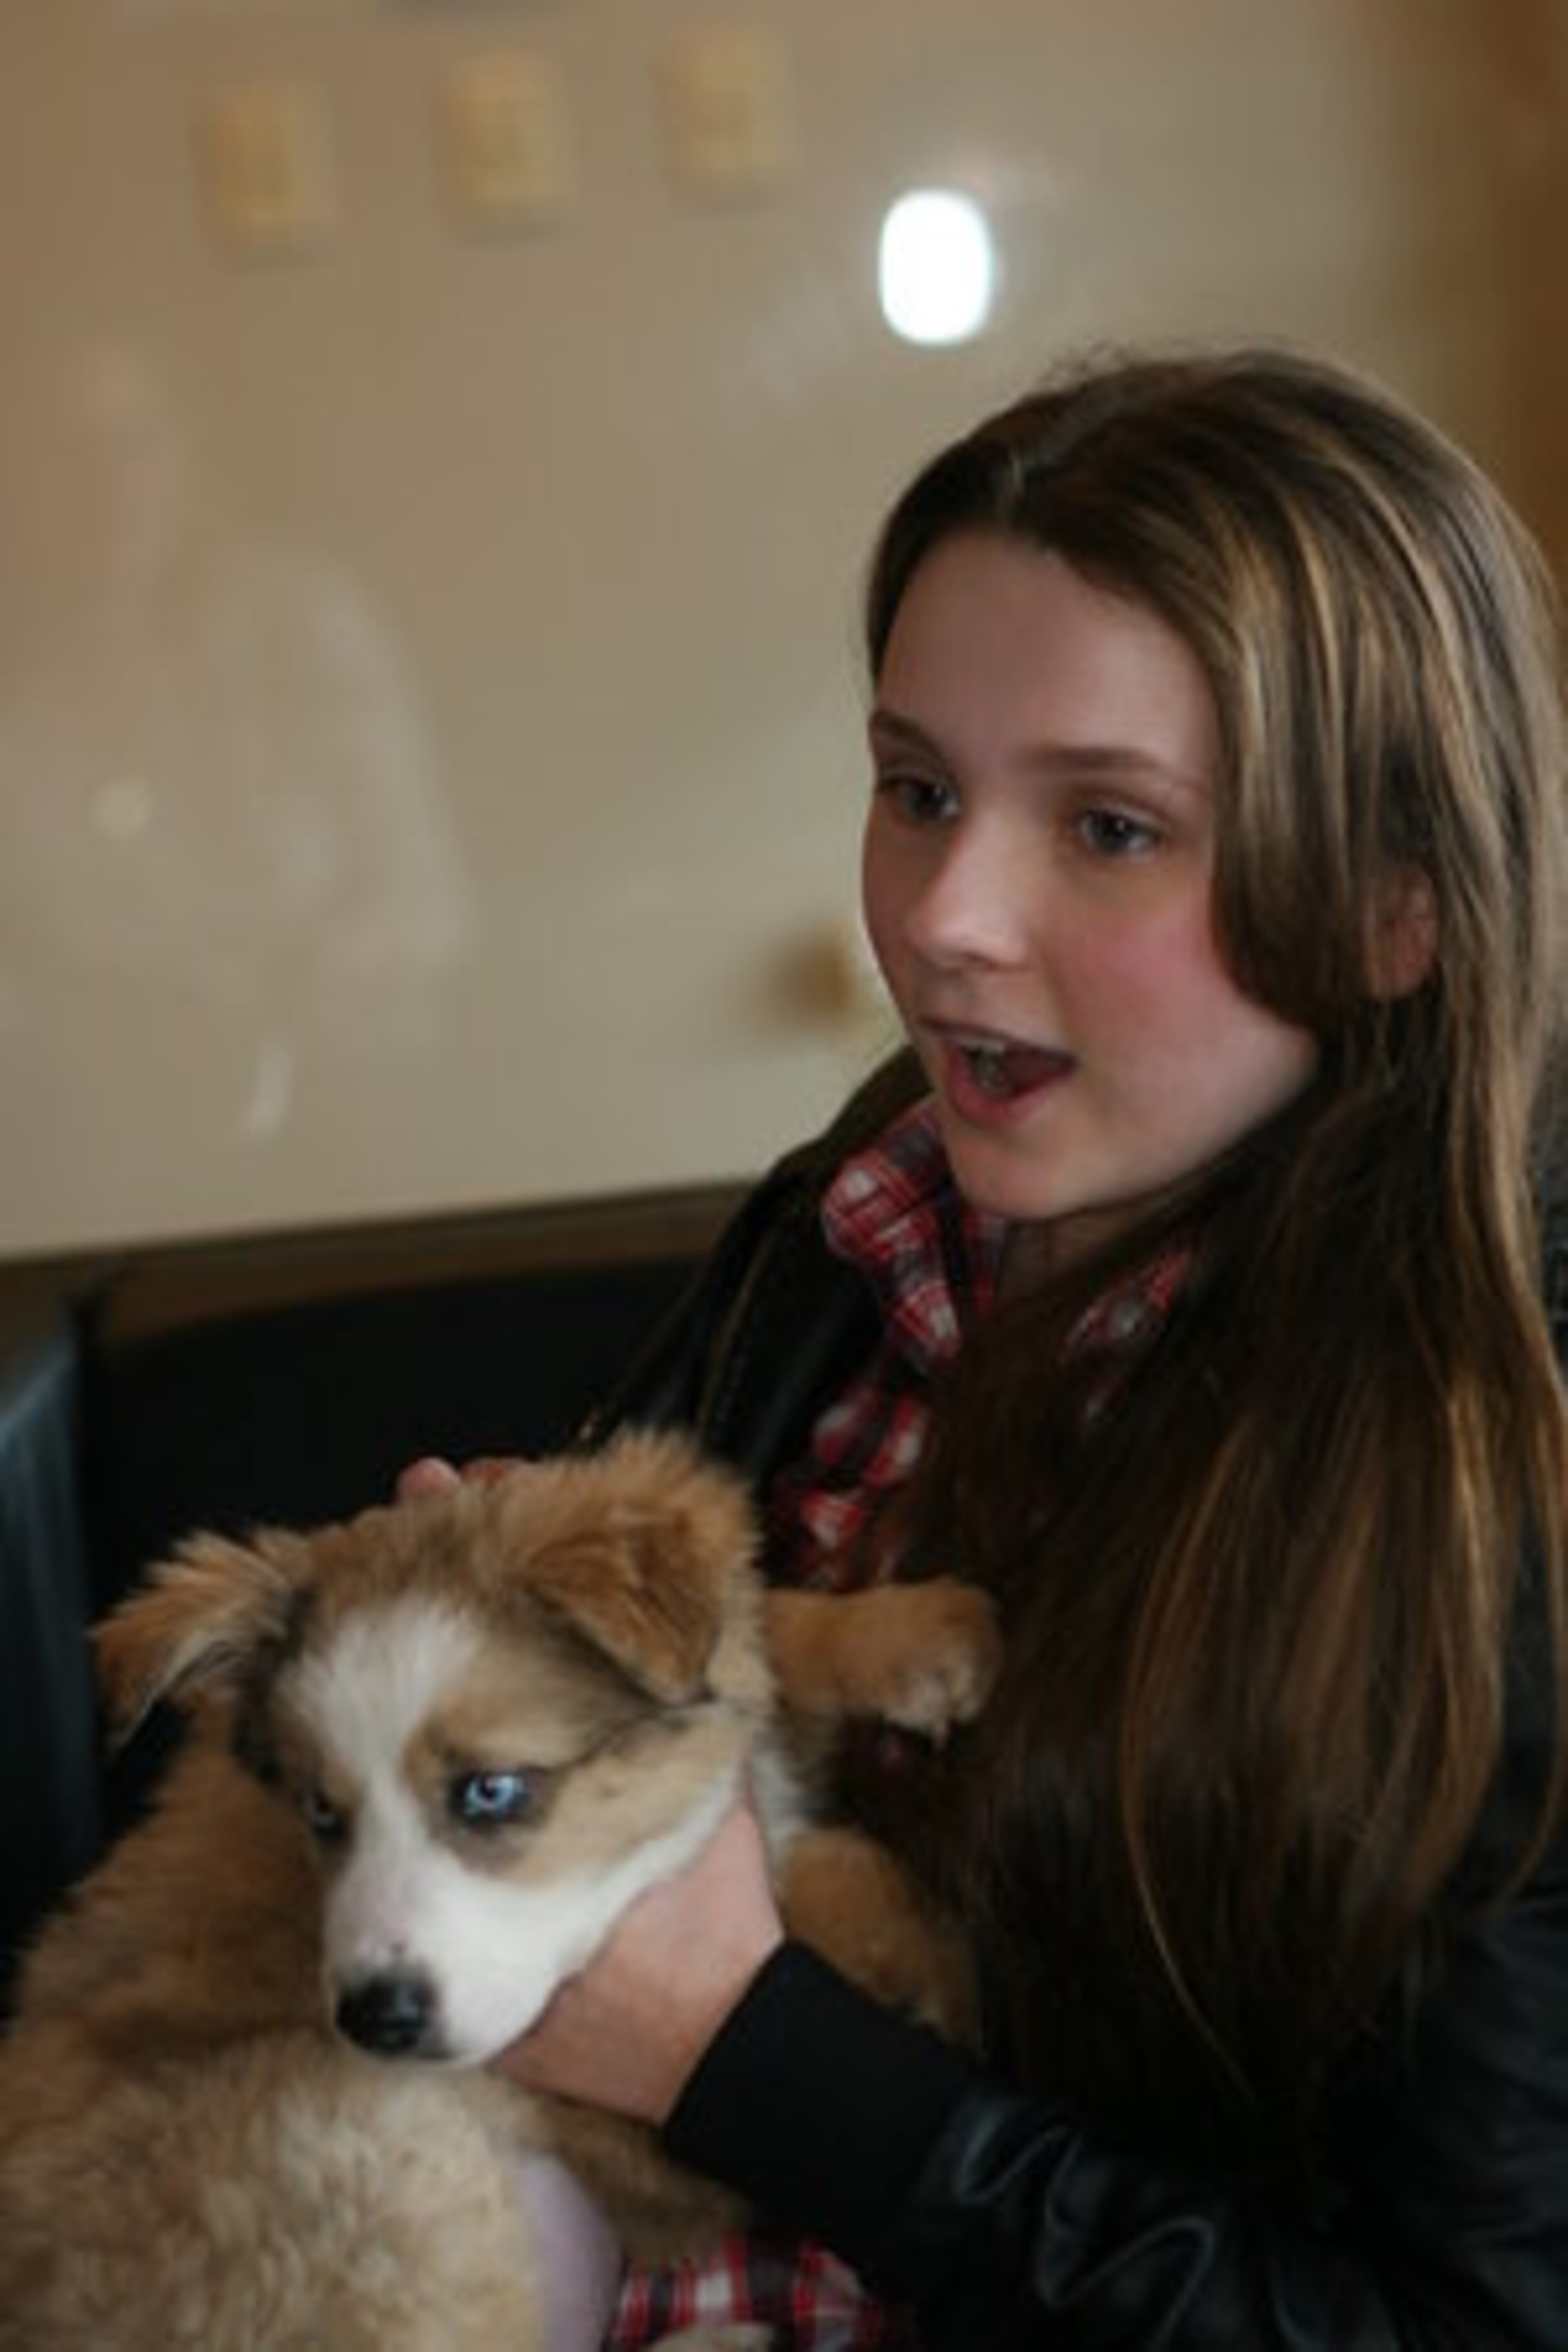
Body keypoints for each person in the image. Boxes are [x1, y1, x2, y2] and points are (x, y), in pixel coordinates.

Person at [437, 345, 1568, 2346]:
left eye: (1112, 828)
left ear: (1399, 909)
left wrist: (742, 2047)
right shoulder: (855, 1221)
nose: (943, 915)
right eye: (917, 789)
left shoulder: (1500, 1499)